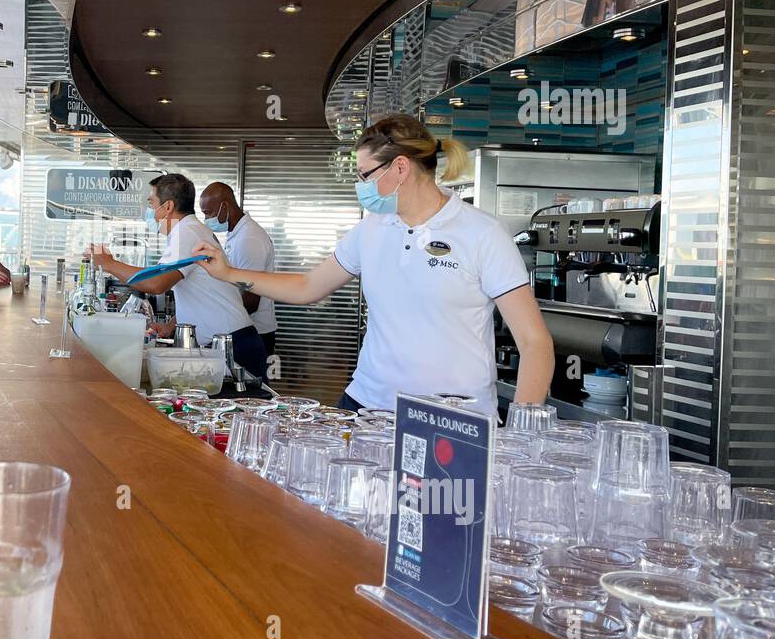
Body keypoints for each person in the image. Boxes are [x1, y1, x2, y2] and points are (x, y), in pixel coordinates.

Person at [192, 115, 554, 415]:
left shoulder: (482, 234)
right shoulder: (371, 229)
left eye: (365, 175)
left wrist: (520, 434)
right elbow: (307, 287)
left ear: (399, 168)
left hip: (452, 417)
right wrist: (230, 273)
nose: (359, 185)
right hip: (366, 404)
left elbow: (534, 341)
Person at [88, 173, 268, 379]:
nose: (150, 212)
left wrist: (109, 264)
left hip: (233, 347)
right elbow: (201, 290)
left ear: (168, 207)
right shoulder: (190, 230)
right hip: (230, 342)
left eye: (151, 203)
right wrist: (171, 325)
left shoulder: (187, 232)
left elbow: (156, 283)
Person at [198, 182, 278, 361]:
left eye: (208, 213)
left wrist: (215, 319)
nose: (206, 220)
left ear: (225, 206)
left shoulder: (249, 239)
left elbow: (251, 300)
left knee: (251, 387)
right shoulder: (237, 234)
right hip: (242, 329)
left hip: (254, 333)